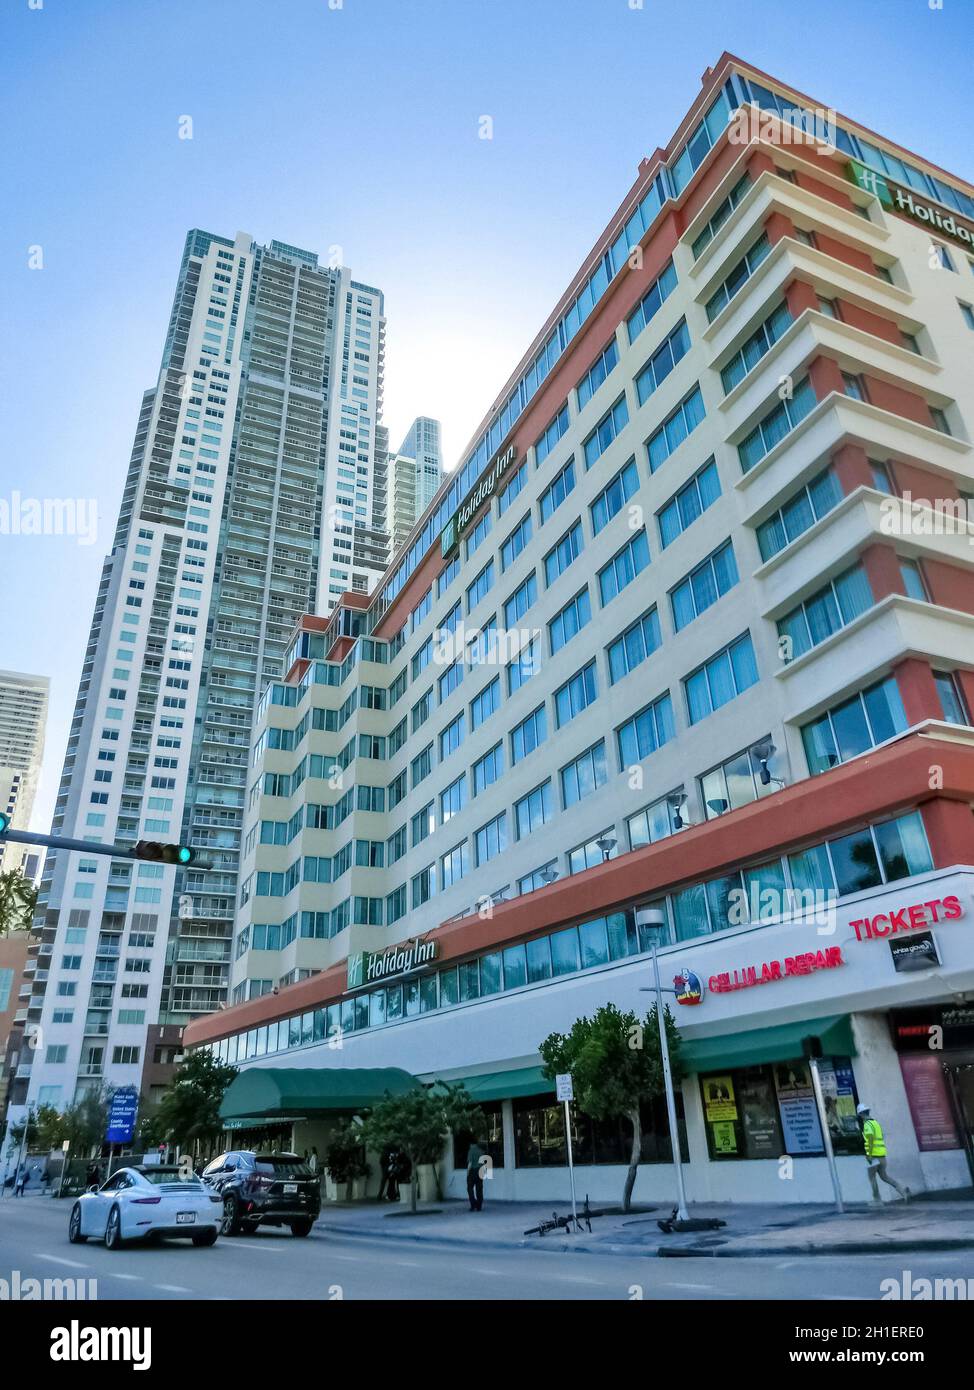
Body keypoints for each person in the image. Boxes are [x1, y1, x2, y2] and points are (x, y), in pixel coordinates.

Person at [858, 1103, 909, 1203]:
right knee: (884, 1176)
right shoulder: (875, 1123)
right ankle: (902, 1191)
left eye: (859, 1115)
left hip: (874, 1156)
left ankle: (877, 1199)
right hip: (882, 1156)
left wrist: (869, 1154)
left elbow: (870, 1139)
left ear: (861, 1114)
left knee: (872, 1177)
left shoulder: (867, 1125)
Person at [466, 1139, 485, 1212]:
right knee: (479, 1189)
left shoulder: (471, 1150)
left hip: (473, 1171)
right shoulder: (481, 1151)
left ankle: (473, 1204)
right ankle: (479, 1206)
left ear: (471, 1144)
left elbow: (470, 1163)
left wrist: (467, 1173)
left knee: (470, 1188)